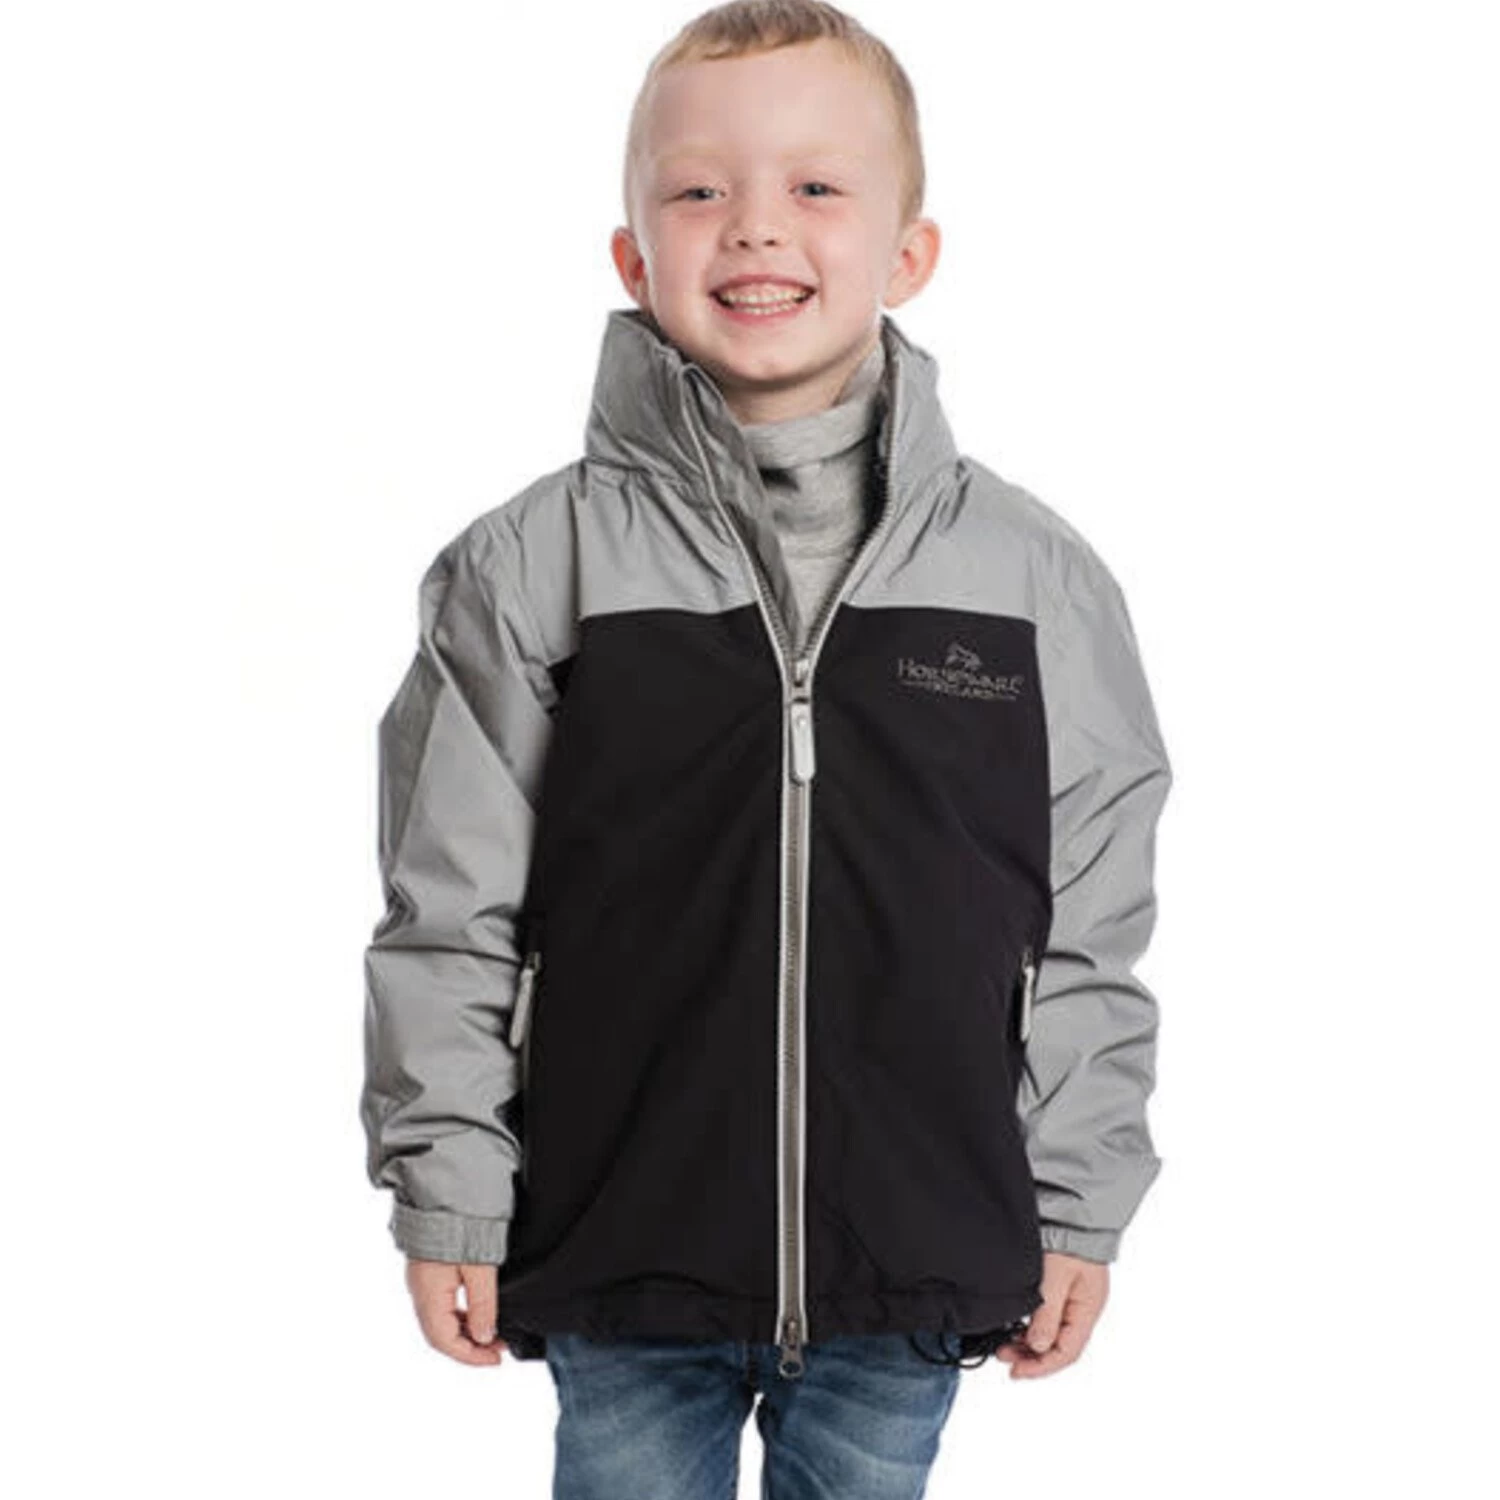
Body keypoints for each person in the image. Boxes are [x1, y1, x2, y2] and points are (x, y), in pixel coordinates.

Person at [360, 2, 1173, 1495]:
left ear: (908, 253)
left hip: (911, 1251)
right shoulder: (530, 571)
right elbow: (449, 914)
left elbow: (1087, 930)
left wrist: (1077, 1198)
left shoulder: (1034, 582)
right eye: (698, 189)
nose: (754, 226)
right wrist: (451, 1195)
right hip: (620, 1241)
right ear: (632, 257)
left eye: (814, 185)